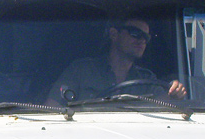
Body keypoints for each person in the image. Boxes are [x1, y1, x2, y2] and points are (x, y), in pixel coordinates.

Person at [48, 18, 186, 105]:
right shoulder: (81, 70)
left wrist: (175, 93)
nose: (142, 40)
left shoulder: (147, 79)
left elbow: (164, 106)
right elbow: (51, 108)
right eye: (135, 33)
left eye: (146, 37)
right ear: (114, 34)